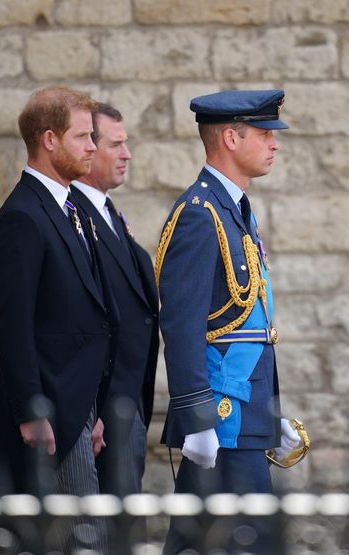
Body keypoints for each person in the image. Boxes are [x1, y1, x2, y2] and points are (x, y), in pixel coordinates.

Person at [156, 89, 301, 554]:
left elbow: (252, 323)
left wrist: (268, 413)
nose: (274, 144)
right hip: (220, 419)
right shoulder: (199, 216)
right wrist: (197, 419)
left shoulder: (233, 210)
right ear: (231, 138)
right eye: (263, 134)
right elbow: (181, 325)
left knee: (202, 541)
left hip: (243, 414)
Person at [0, 86, 119, 555]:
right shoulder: (23, 215)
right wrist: (33, 411)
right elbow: (13, 326)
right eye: (83, 137)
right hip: (52, 410)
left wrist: (93, 410)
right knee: (80, 538)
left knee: (48, 538)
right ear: (49, 139)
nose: (93, 147)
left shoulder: (66, 208)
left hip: (78, 407)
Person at [71, 103, 159, 496]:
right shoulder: (73, 216)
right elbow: (79, 320)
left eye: (127, 144)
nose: (127, 154)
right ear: (88, 149)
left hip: (127, 398)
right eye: (116, 144)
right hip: (105, 409)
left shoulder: (107, 212)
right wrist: (95, 408)